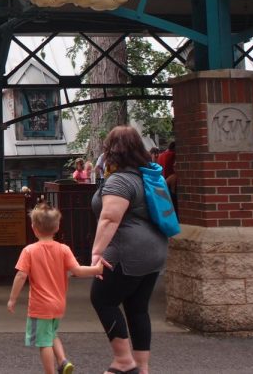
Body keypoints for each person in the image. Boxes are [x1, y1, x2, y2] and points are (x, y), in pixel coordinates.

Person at [90, 125, 169, 374]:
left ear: (111, 150)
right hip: (155, 251)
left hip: (128, 251)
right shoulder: (147, 176)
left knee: (102, 299)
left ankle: (123, 361)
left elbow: (110, 218)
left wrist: (96, 253)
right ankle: (141, 367)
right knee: (137, 307)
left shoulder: (121, 180)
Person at [7, 202, 104, 374]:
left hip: (40, 306)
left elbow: (21, 275)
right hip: (59, 303)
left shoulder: (29, 251)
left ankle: (50, 372)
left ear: (33, 228)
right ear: (57, 227)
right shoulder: (63, 249)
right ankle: (63, 361)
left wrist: (12, 299)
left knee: (43, 343)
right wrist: (96, 270)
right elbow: (77, 271)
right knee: (51, 334)